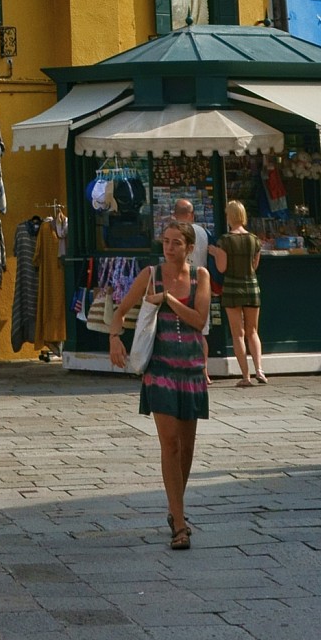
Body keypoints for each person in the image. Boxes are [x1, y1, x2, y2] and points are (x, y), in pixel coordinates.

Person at [109, 219, 212, 547]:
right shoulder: (149, 275)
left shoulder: (201, 277)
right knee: (170, 444)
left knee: (187, 448)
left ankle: (174, 507)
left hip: (191, 370)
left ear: (189, 248)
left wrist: (168, 300)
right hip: (161, 371)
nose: (169, 248)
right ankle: (179, 524)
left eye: (176, 243)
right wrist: (115, 337)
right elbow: (120, 311)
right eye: (165, 242)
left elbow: (199, 320)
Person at [210, 199, 266, 387]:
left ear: (230, 216)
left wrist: (216, 253)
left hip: (232, 287)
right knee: (253, 331)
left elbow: (222, 268)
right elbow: (254, 266)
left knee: (238, 334)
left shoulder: (224, 240)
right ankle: (260, 369)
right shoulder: (254, 239)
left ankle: (246, 376)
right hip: (251, 286)